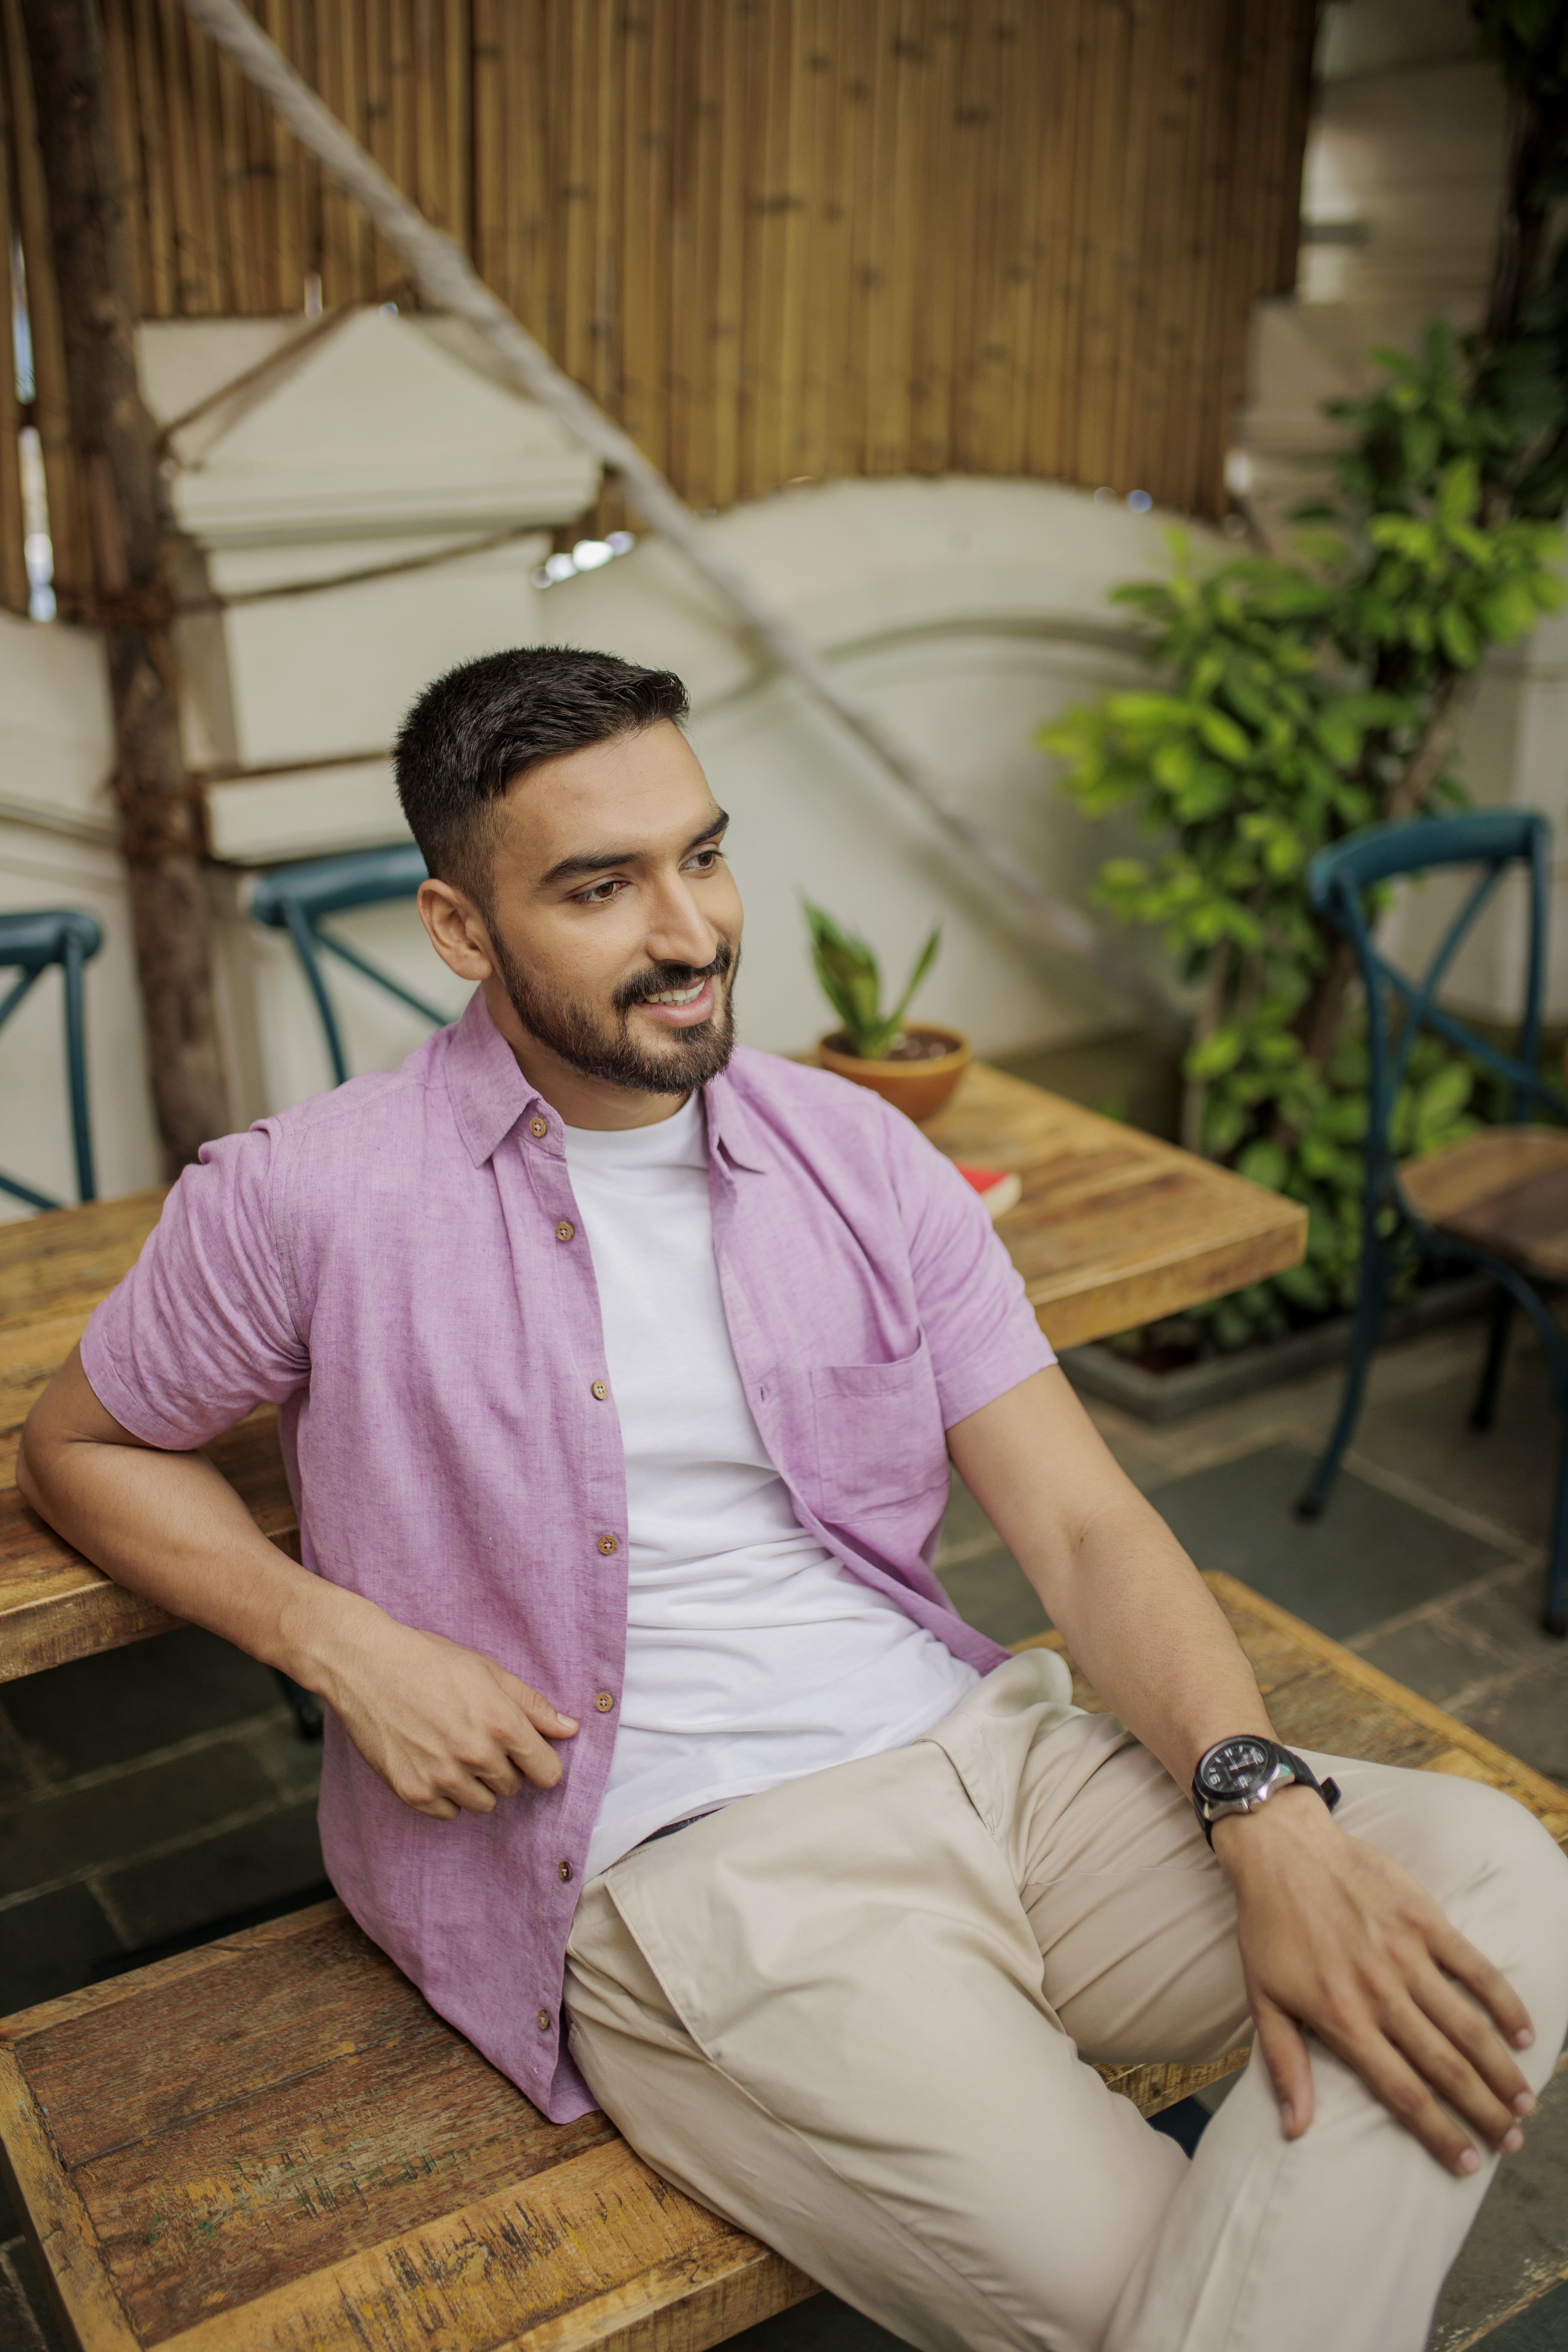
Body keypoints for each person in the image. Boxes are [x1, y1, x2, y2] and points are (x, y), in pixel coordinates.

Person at [18, 647, 1568, 2352]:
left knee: (1495, 1872)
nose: (688, 931)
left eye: (701, 854)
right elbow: (78, 1446)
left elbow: (1082, 1529)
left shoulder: (856, 1152)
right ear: (461, 929)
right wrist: (340, 1644)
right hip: (704, 1882)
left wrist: (1256, 1803)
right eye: (601, 887)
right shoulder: (306, 1195)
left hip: (994, 1765)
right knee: (1174, 2298)